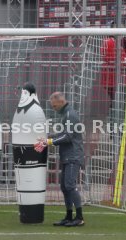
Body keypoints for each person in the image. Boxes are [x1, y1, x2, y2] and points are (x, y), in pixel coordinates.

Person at [34, 92, 85, 227]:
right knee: (64, 187)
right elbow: (62, 134)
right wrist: (48, 138)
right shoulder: (66, 115)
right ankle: (69, 216)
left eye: (54, 106)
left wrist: (49, 142)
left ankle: (79, 217)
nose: (53, 108)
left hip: (73, 156)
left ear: (61, 102)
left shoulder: (70, 115)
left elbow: (68, 136)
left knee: (69, 185)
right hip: (68, 156)